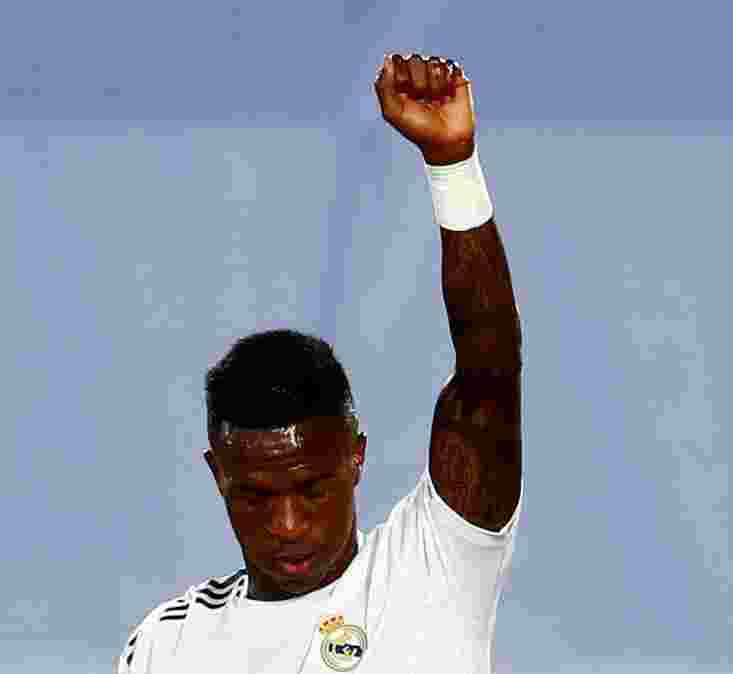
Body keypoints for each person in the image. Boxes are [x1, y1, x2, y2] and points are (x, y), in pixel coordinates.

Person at [117, 52, 523, 673]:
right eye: (254, 496)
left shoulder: (428, 570)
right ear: (216, 474)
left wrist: (452, 166)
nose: (285, 525)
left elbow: (488, 375)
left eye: (312, 490)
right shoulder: (169, 646)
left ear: (355, 456)